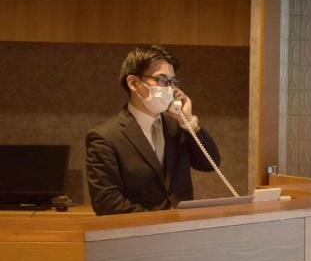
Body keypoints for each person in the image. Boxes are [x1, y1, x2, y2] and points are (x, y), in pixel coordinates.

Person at [85, 45, 221, 215]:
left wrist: (189, 122)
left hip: (182, 227)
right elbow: (107, 202)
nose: (169, 88)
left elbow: (210, 164)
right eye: (161, 80)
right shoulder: (105, 137)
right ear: (134, 83)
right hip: (139, 229)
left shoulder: (176, 126)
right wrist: (160, 221)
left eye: (172, 82)